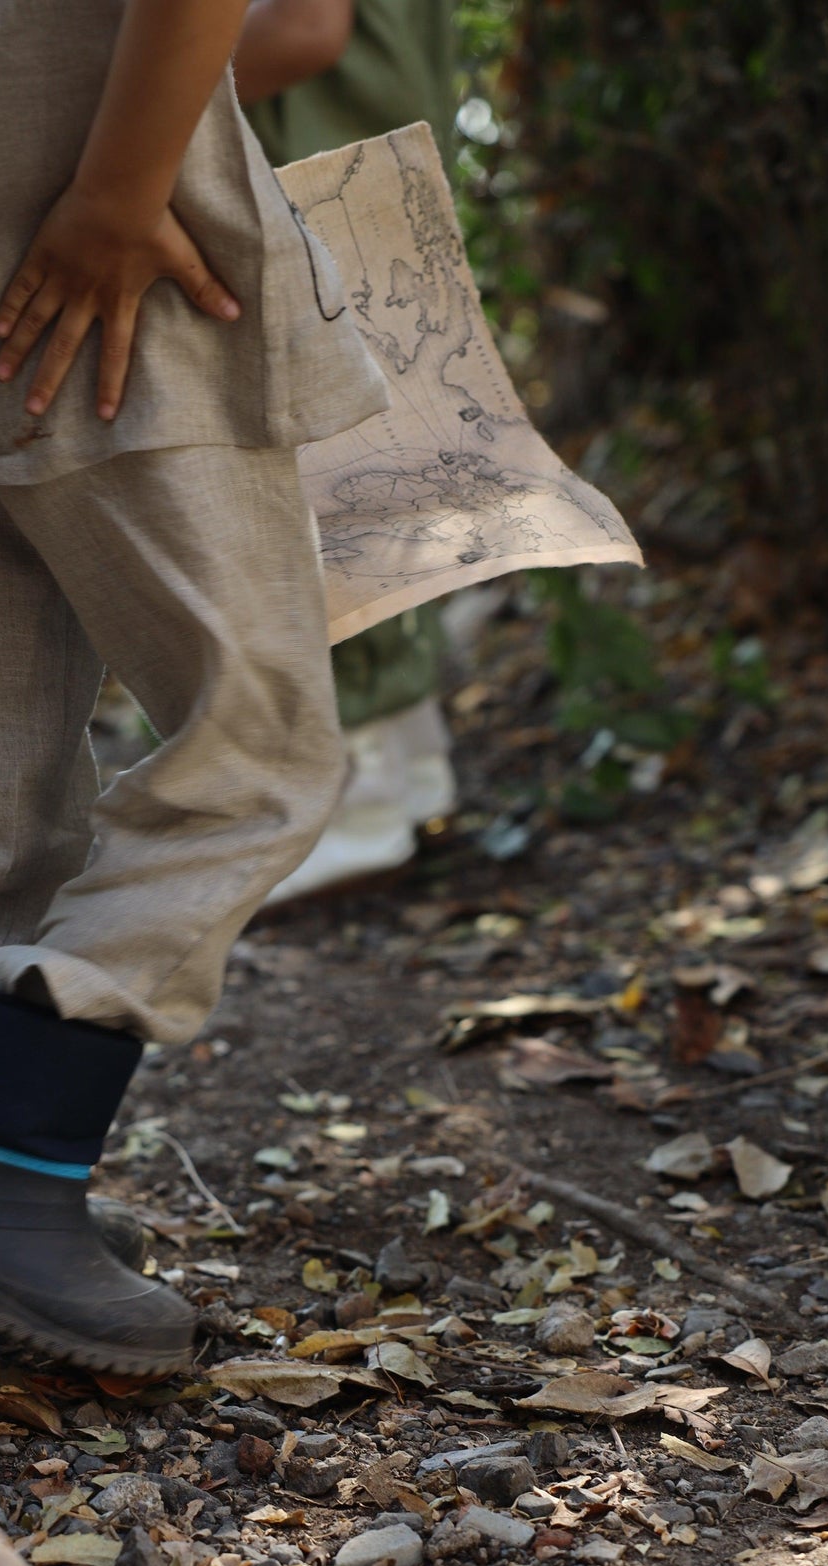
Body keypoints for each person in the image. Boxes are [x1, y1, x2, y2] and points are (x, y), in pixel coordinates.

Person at [0, 0, 390, 1376]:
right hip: (120, 307)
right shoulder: (114, 242)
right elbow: (294, 29)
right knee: (260, 749)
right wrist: (114, 191)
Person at [235, 0, 460, 900]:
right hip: (369, 148)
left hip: (309, 161)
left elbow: (301, 28)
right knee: (381, 461)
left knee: (316, 474)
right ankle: (409, 769)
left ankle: (355, 803)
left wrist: (124, 111)